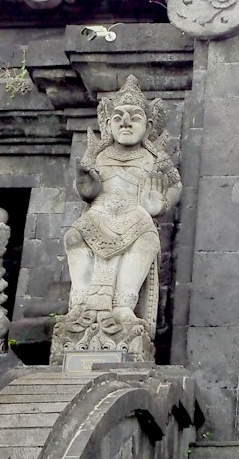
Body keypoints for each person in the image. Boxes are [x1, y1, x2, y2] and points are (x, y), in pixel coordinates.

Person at [57, 76, 181, 356]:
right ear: (108, 124)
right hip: (99, 213)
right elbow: (88, 189)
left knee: (147, 239)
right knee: (74, 236)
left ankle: (124, 304)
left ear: (149, 125)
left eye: (134, 117)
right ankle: (81, 301)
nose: (125, 123)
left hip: (135, 214)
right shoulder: (99, 155)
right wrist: (85, 185)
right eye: (118, 118)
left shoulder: (154, 158)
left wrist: (160, 204)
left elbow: (175, 185)